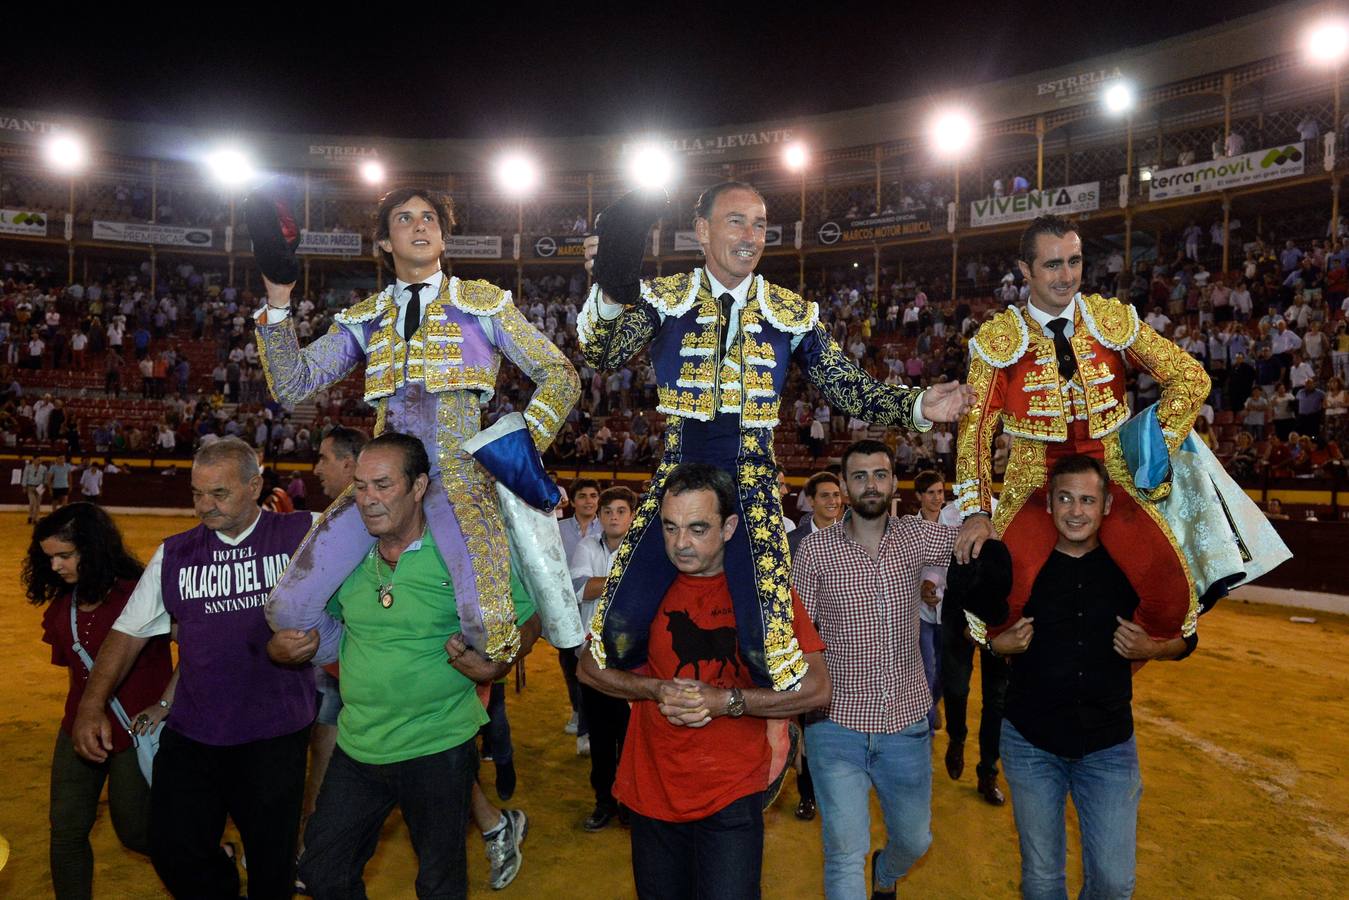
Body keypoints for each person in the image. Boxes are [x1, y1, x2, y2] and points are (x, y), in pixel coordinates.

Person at [580, 181, 971, 692]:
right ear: (702, 230)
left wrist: (916, 404)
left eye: (760, 224)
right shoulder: (664, 298)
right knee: (619, 628)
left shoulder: (788, 312)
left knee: (768, 645)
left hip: (751, 481)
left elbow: (842, 382)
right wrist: (611, 284)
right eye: (736, 221)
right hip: (676, 477)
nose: (751, 235)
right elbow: (605, 353)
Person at [253, 185, 580, 667]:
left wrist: (515, 451)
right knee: (287, 608)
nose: (420, 225)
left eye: (429, 217)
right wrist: (278, 298)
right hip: (384, 481)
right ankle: (378, 654)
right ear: (384, 242)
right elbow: (292, 383)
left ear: (444, 239)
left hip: (460, 476)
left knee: (490, 631)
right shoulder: (368, 317)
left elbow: (561, 375)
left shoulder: (481, 304)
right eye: (404, 219)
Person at [267, 432, 542, 897]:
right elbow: (308, 633)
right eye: (359, 486)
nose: (367, 500)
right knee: (322, 871)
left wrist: (498, 665)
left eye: (382, 485)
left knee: (439, 884)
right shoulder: (345, 561)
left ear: (418, 487)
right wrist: (280, 651)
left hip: (440, 746)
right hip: (359, 746)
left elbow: (528, 619)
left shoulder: (461, 556)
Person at [69, 437, 317, 899]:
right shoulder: (175, 553)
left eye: (218, 494)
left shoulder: (304, 533)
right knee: (170, 846)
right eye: (196, 493)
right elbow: (127, 634)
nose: (204, 506)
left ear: (254, 485)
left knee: (272, 862)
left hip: (274, 734)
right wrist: (91, 704)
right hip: (194, 730)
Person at [956, 215, 1213, 647]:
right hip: (1035, 479)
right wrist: (977, 512)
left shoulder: (1110, 321)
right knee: (997, 603)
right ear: (1026, 270)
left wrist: (1147, 448)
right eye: (1053, 264)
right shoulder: (998, 340)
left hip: (1109, 472)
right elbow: (975, 431)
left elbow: (1191, 379)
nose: (1067, 275)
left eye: (1074, 261)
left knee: (1170, 595)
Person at [579, 463, 831, 899]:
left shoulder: (764, 593)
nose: (681, 543)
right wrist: (654, 688)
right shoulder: (640, 588)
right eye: (671, 527)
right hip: (651, 790)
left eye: (697, 528)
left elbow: (816, 688)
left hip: (731, 793)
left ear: (729, 526)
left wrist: (726, 701)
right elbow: (587, 665)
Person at [976, 455, 1196, 898]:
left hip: (1108, 746)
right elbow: (976, 627)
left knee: (1114, 884)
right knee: (1041, 881)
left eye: (1087, 500)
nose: (1076, 511)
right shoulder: (1019, 567)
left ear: (1107, 506)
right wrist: (996, 646)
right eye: (1066, 499)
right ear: (1050, 504)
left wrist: (1153, 648)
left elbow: (1187, 639)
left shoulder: (1131, 570)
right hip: (1031, 742)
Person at [792, 442, 957, 898]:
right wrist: (795, 719)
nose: (870, 484)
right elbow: (795, 633)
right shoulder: (815, 551)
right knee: (844, 854)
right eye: (859, 476)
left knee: (915, 840)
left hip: (905, 723)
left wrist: (981, 518)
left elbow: (973, 544)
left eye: (880, 474)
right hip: (835, 725)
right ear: (844, 486)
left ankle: (886, 873)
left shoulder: (917, 536)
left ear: (893, 482)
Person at [24, 503, 173, 900]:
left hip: (135, 731)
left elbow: (199, 647)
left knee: (136, 831)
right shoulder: (63, 604)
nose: (55, 566)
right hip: (79, 726)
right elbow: (77, 674)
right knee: (66, 829)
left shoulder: (141, 592)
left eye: (64, 555)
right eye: (49, 557)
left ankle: (208, 857)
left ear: (92, 548)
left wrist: (164, 705)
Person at [299, 424, 366, 862]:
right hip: (343, 659)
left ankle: (312, 848)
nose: (316, 468)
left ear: (348, 463)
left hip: (353, 658)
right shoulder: (344, 517)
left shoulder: (358, 518)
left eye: (324, 458)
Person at [569, 485, 637, 830]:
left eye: (621, 511)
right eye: (607, 511)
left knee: (630, 735)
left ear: (632, 515)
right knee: (599, 734)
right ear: (599, 516)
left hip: (632, 658)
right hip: (593, 655)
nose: (613, 516)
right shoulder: (585, 545)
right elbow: (579, 589)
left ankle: (629, 800)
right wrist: (623, 582)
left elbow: (595, 586)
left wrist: (604, 583)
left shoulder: (643, 549)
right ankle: (603, 801)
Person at [559, 478, 603, 747]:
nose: (589, 500)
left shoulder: (609, 526)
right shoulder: (558, 529)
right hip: (566, 607)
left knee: (594, 661)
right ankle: (577, 708)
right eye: (583, 496)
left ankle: (588, 721)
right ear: (573, 501)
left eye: (594, 495)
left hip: (597, 604)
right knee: (568, 662)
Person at [787, 471, 844, 555]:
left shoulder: (852, 537)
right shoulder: (792, 540)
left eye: (836, 495)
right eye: (825, 495)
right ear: (811, 501)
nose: (832, 501)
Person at [22, 454, 47, 524]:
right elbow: (25, 477)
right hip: (30, 486)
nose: (40, 461)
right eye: (38, 460)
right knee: (32, 503)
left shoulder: (44, 468)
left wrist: (45, 485)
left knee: (38, 504)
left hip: (40, 487)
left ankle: (35, 518)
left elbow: (45, 478)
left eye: (40, 460)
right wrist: (24, 486)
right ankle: (30, 516)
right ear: (34, 460)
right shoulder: (28, 467)